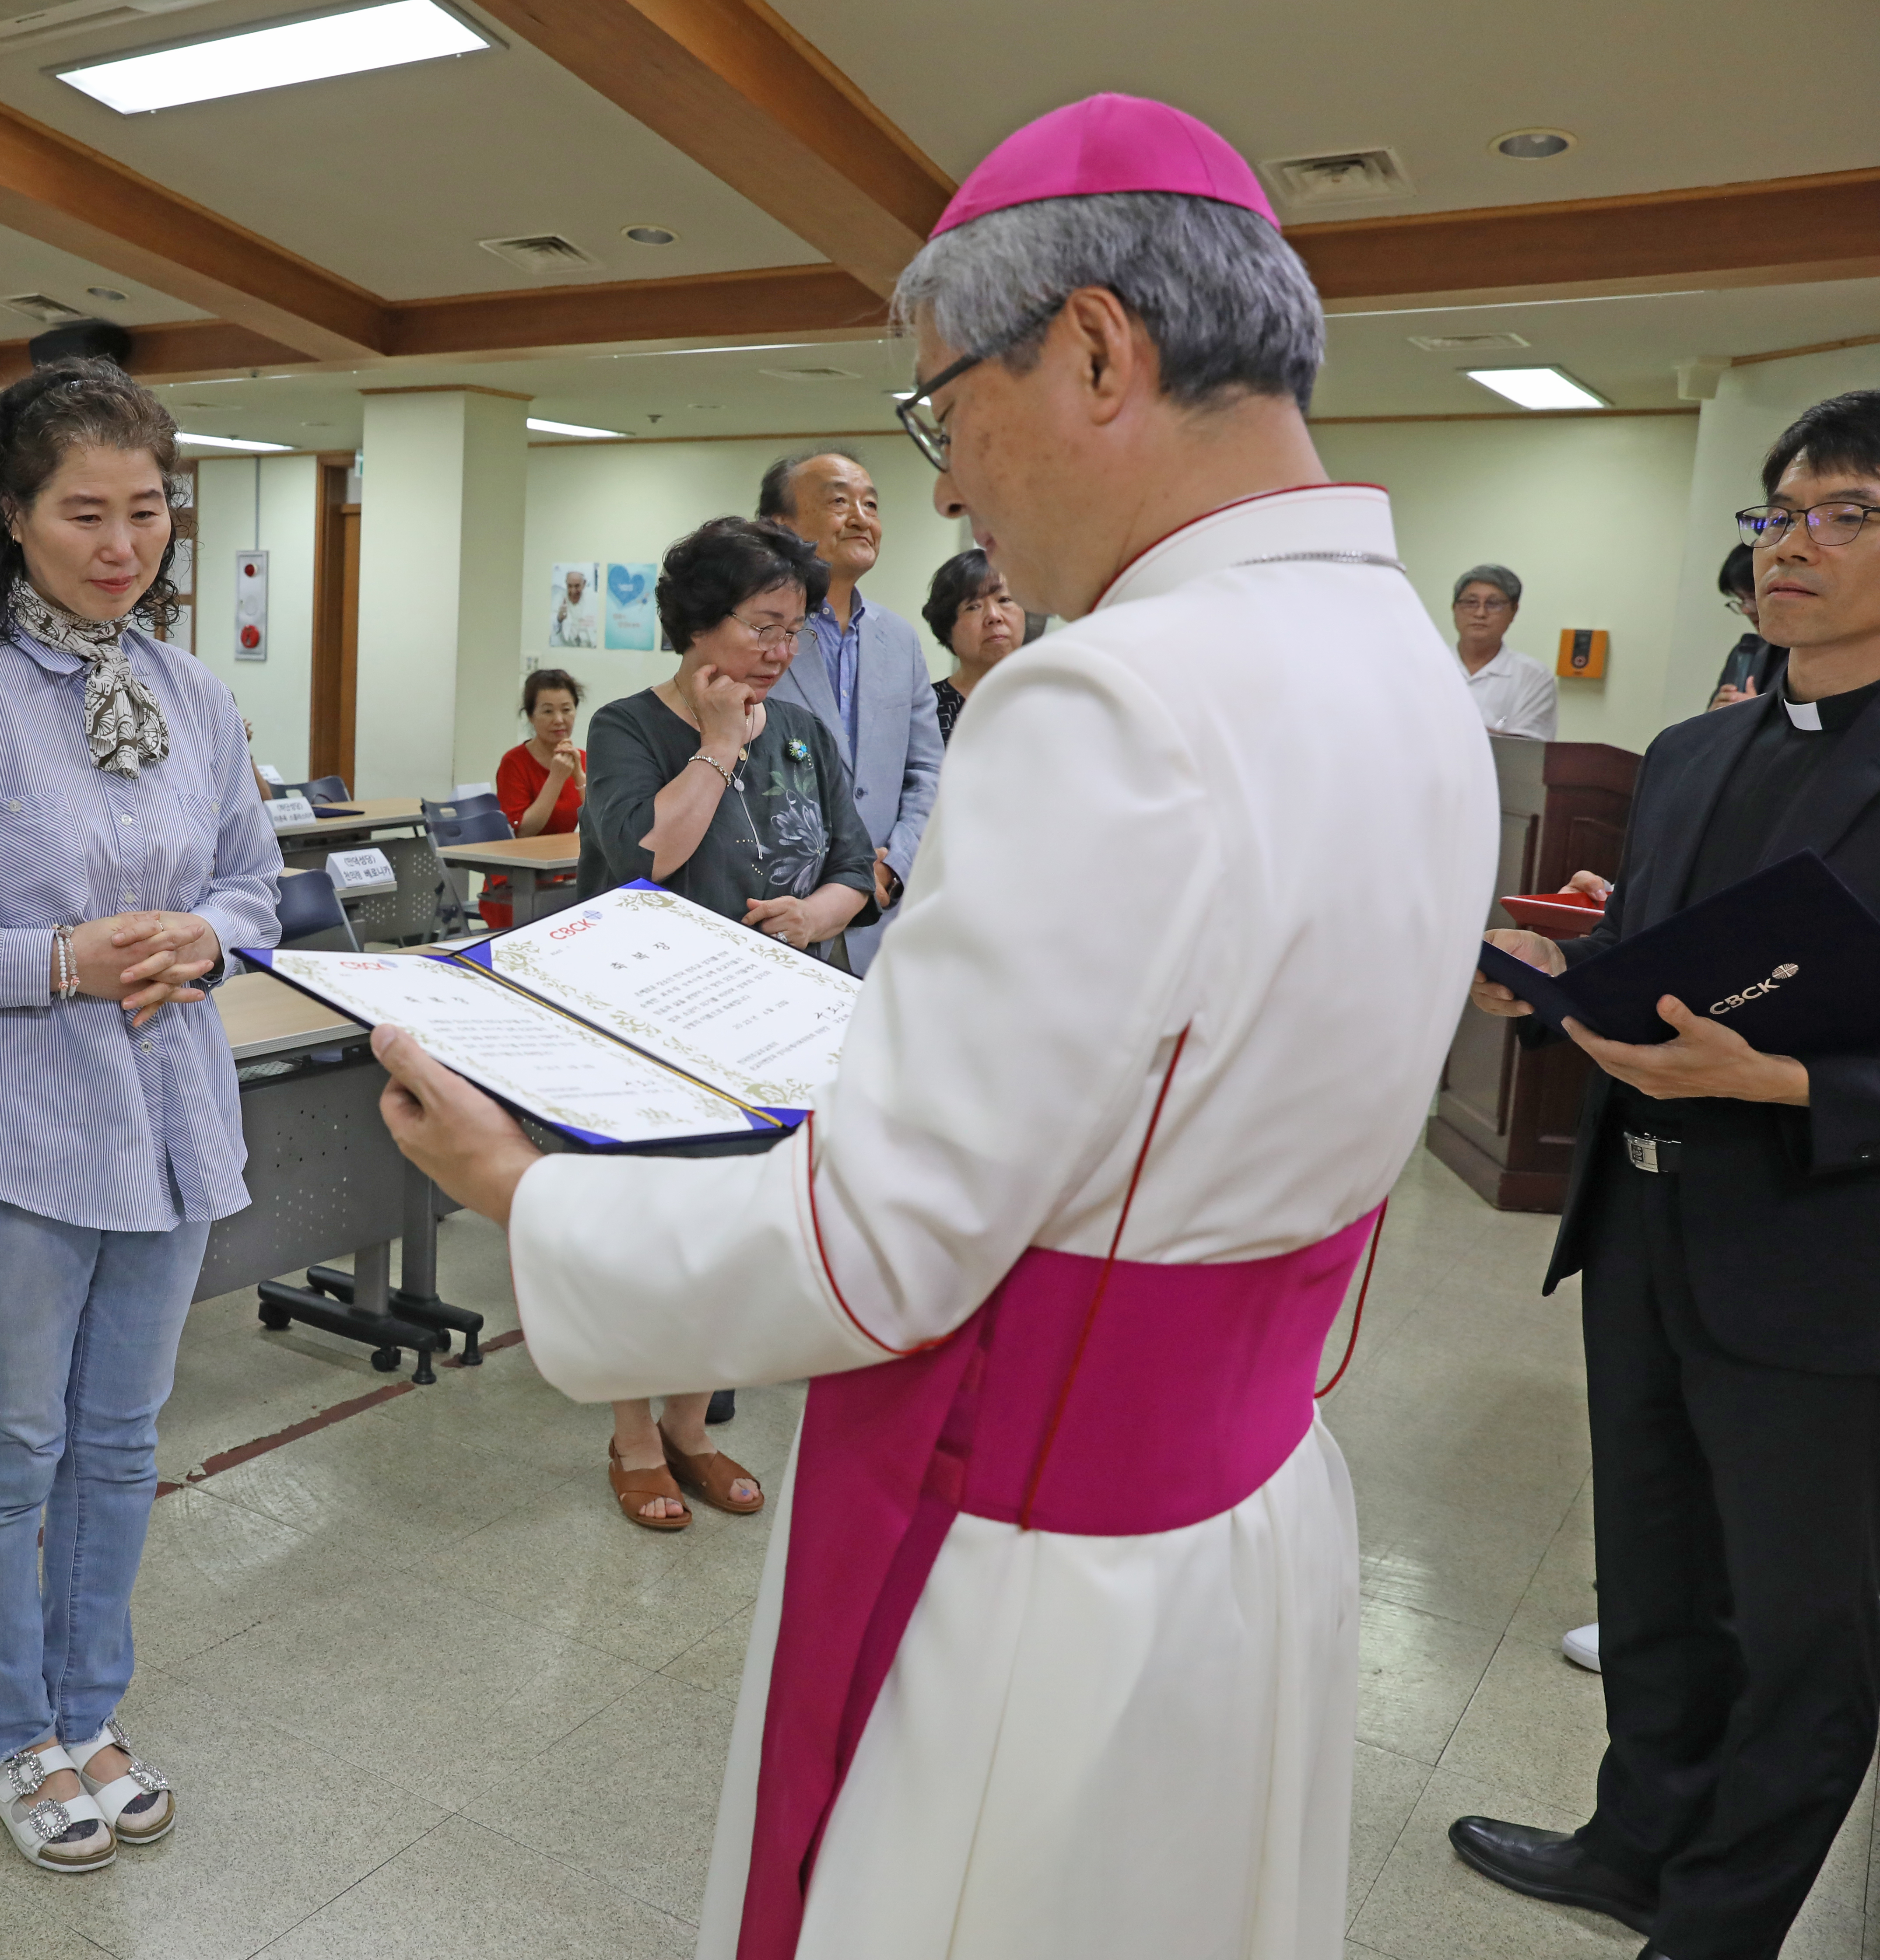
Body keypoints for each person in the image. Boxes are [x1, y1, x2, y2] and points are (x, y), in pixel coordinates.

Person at [370, 94, 1494, 1959]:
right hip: (1245, 1511)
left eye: (940, 409)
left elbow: (875, 1246)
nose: (949, 487)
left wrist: (522, 1188)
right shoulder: (1396, 660)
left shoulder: (1107, 702)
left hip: (1032, 1568)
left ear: (1092, 351)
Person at [1454, 389, 1880, 1960]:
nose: (1792, 545)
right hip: (1637, 1219)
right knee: (1644, 1575)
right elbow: (1659, 947)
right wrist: (1561, 960)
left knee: (1799, 1632)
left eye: (1842, 514)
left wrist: (1779, 1078)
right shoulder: (1697, 745)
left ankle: (1712, 1926)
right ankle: (1629, 1841)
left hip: (1817, 1251)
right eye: (1775, 514)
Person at [0, 357, 281, 1877]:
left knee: (121, 1447)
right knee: (8, 1452)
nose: (124, 545)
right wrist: (60, 958)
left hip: (178, 1117)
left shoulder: (196, 693)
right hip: (20, 1127)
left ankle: (90, 1708)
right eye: (86, 514)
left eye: (148, 512)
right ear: (10, 514)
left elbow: (255, 879)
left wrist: (210, 936)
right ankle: (9, 1734)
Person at [569, 514, 875, 1530]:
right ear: (701, 625)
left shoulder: (803, 732)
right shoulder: (627, 727)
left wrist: (818, 915)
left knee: (735, 1247)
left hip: (778, 1032)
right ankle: (634, 1438)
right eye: (764, 627)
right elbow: (646, 854)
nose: (782, 652)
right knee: (650, 1245)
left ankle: (693, 1429)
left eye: (794, 630)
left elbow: (855, 867)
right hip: (654, 1032)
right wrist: (715, 744)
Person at [758, 447, 944, 970]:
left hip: (883, 918)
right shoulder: (758, 636)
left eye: (871, 504)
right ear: (782, 526)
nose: (862, 518)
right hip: (780, 913)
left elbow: (926, 770)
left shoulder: (900, 640)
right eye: (840, 502)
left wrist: (890, 869)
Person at [484, 667, 583, 928]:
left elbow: (598, 821)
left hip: (564, 873)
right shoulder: (514, 763)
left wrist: (579, 775)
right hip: (517, 881)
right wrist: (556, 779)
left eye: (567, 709)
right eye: (548, 711)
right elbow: (524, 832)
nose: (559, 720)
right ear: (530, 715)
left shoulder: (581, 759)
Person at [919, 546, 1022, 742]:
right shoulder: (925, 711)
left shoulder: (1053, 695)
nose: (994, 616)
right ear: (947, 628)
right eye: (973, 607)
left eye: (1005, 600)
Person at [1454, 562, 1560, 739]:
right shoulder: (1426, 667)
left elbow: (1527, 752)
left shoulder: (1534, 677)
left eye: (1494, 604)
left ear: (1513, 612)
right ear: (1455, 608)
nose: (1480, 613)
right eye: (1471, 603)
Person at [1707, 542, 1785, 709]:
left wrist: (1754, 714)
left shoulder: (1813, 655)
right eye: (1741, 599)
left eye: (1752, 597)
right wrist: (1711, 718)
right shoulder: (1745, 652)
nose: (1746, 609)